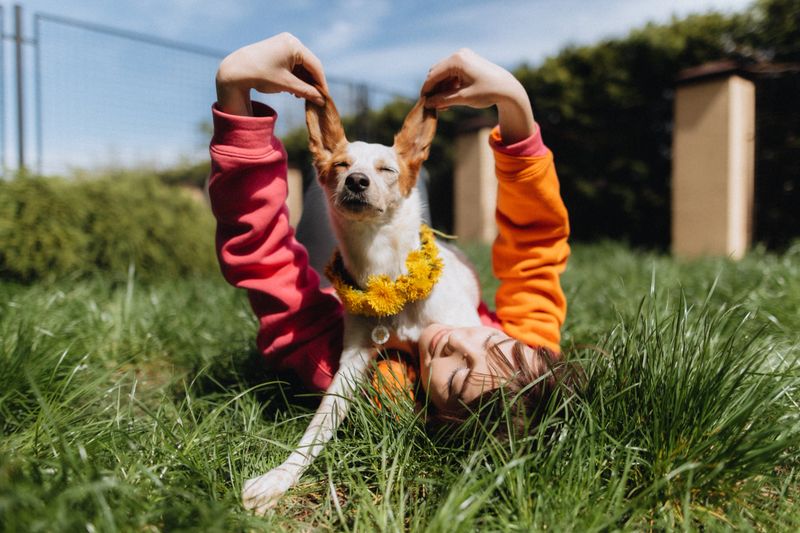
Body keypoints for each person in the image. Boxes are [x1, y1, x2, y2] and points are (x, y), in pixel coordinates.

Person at [209, 33, 570, 420]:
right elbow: (534, 246)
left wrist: (234, 91)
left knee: (338, 182)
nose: (461, 343)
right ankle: (404, 177)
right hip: (426, 254)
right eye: (493, 344)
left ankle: (371, 175)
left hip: (331, 277)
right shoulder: (529, 358)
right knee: (403, 177)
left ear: (440, 418)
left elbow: (264, 260)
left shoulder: (347, 376)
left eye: (457, 380)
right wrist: (514, 102)